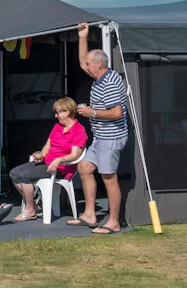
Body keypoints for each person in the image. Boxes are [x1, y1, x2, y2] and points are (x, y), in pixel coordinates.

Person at [72, 22, 129, 234]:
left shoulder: (110, 82)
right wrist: (83, 37)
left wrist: (91, 113)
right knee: (85, 168)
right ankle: (89, 214)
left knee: (108, 177)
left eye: (89, 63)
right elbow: (81, 61)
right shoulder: (99, 77)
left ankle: (114, 222)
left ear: (99, 64)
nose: (85, 66)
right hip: (100, 137)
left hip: (111, 138)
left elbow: (116, 113)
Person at [9, 97, 88, 222]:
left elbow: (75, 155)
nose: (56, 116)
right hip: (47, 163)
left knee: (25, 176)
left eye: (58, 112)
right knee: (14, 173)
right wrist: (41, 155)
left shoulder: (79, 130)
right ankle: (34, 204)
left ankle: (30, 210)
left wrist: (59, 160)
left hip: (61, 168)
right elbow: (48, 145)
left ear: (67, 112)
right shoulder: (57, 127)